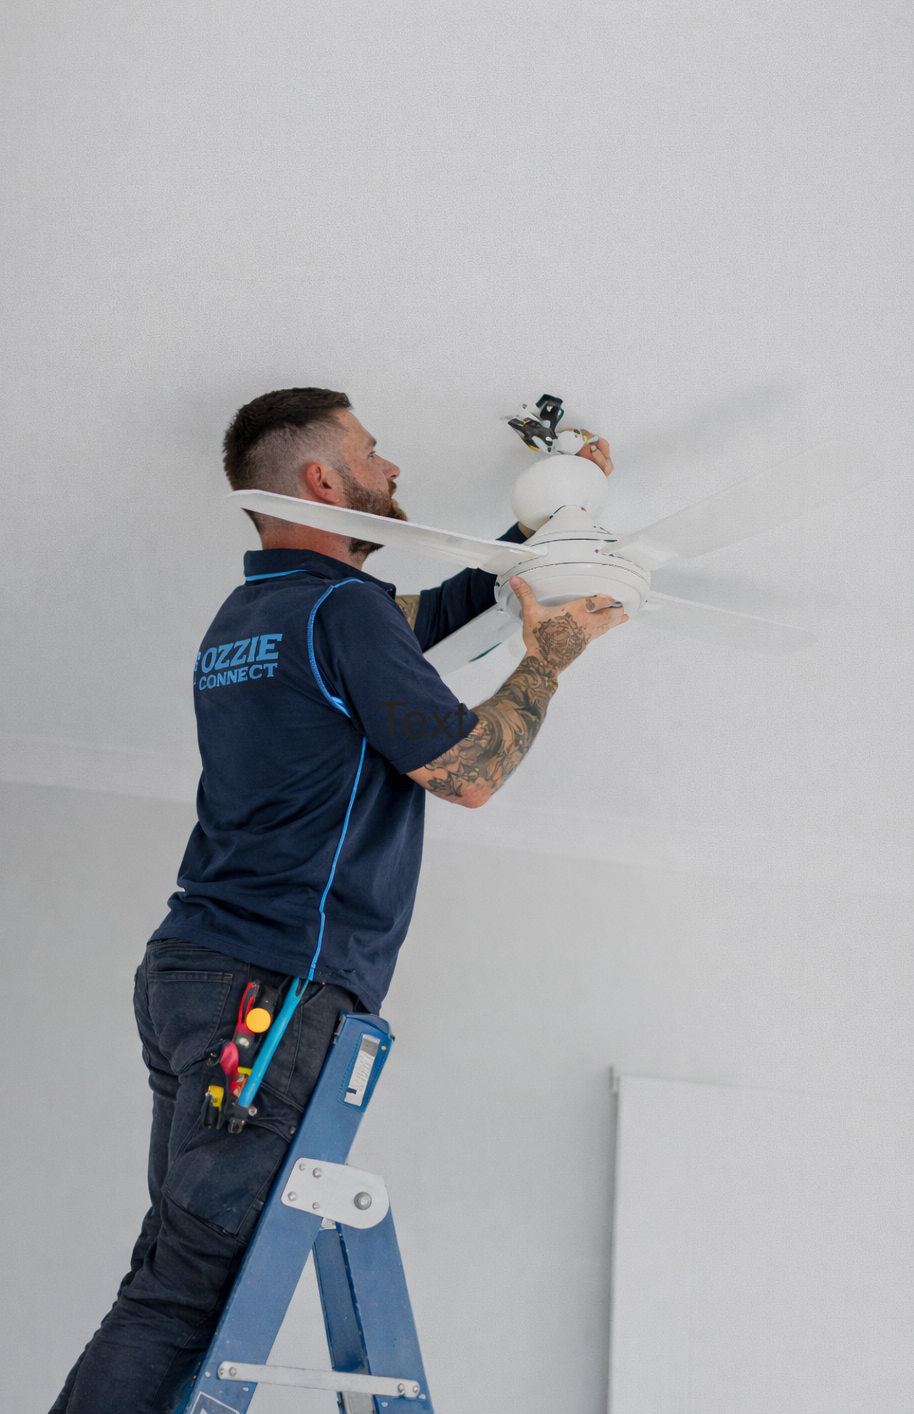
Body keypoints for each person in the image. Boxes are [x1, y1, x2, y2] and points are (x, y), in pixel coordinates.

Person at [50, 387, 626, 1414]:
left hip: (195, 975)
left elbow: (423, 622)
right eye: (373, 450)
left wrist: (539, 532)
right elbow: (468, 773)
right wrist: (549, 658)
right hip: (274, 982)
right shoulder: (342, 610)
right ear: (324, 479)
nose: (393, 466)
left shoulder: (258, 616)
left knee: (174, 1278)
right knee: (188, 1290)